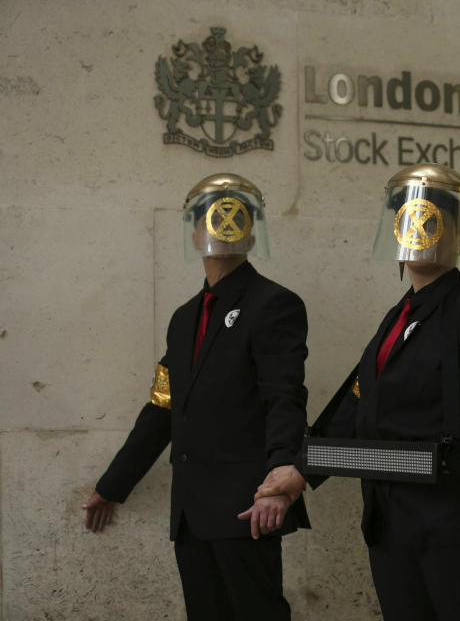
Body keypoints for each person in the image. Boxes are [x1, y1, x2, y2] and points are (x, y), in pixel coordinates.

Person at [256, 163, 460, 621]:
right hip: (391, 523)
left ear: (456, 233)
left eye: (433, 217)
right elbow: (357, 407)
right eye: (409, 218)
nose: (420, 229)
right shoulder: (397, 319)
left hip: (451, 522)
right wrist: (299, 472)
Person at [82, 173, 310, 620]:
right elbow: (163, 407)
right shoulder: (184, 318)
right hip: (191, 512)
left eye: (235, 214)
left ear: (250, 229)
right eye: (212, 215)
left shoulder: (274, 304)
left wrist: (282, 476)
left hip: (250, 506)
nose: (222, 225)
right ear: (193, 231)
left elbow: (284, 398)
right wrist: (114, 485)